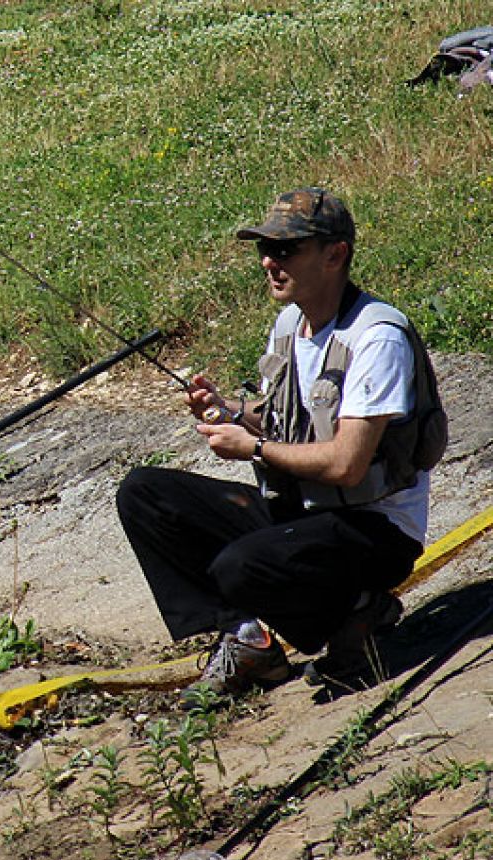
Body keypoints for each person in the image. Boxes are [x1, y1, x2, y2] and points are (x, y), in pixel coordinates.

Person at [116, 187, 440, 704]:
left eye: (287, 249)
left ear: (335, 255)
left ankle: (359, 613)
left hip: (374, 532)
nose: (269, 261)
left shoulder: (377, 337)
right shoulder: (290, 324)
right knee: (143, 493)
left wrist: (253, 451)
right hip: (305, 514)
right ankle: (250, 642)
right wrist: (227, 412)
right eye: (264, 249)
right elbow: (280, 421)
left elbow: (347, 463)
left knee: (239, 565)